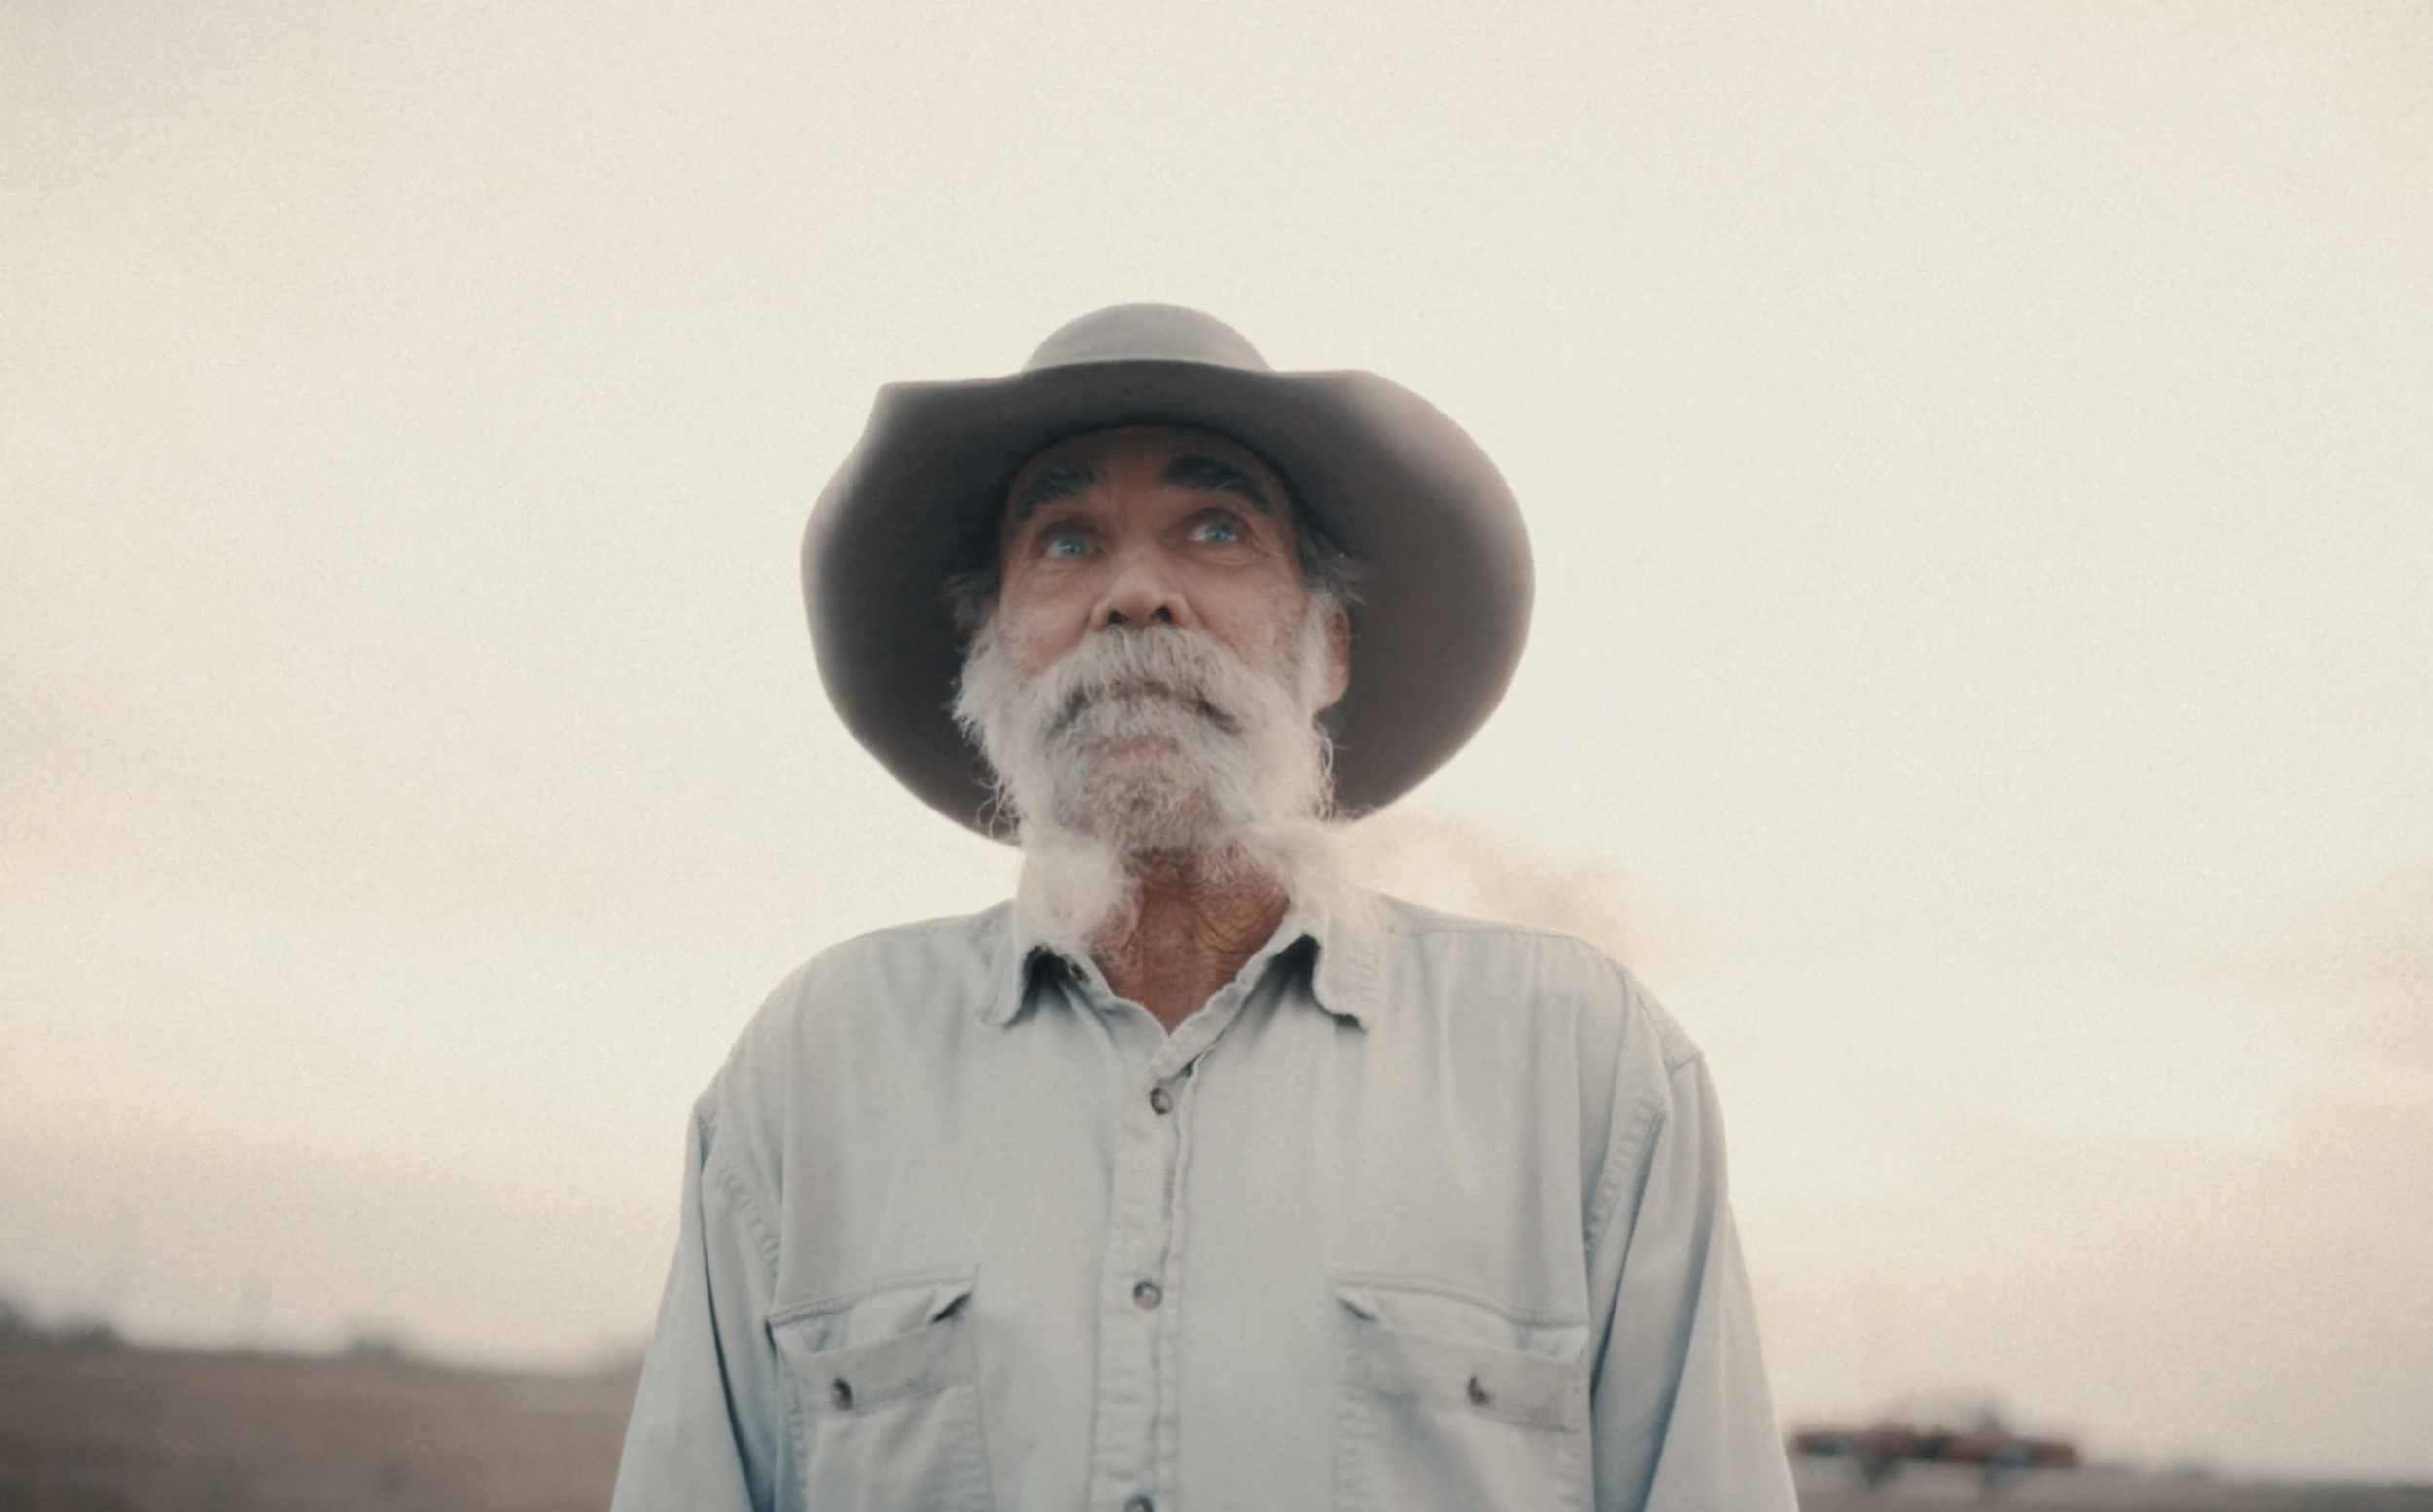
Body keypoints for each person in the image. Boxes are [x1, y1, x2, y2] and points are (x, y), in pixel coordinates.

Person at [609, 304, 1798, 1511]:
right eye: (1066, 543)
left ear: (1326, 647)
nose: (1134, 595)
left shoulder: (1578, 1059)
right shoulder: (819, 1062)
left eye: (1215, 529)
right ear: (994, 655)